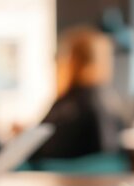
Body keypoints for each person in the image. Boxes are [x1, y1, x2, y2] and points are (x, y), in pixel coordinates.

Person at [32, 27, 123, 159]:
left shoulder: (69, 104)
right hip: (105, 177)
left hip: (63, 176)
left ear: (72, 61)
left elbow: (40, 146)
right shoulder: (110, 101)